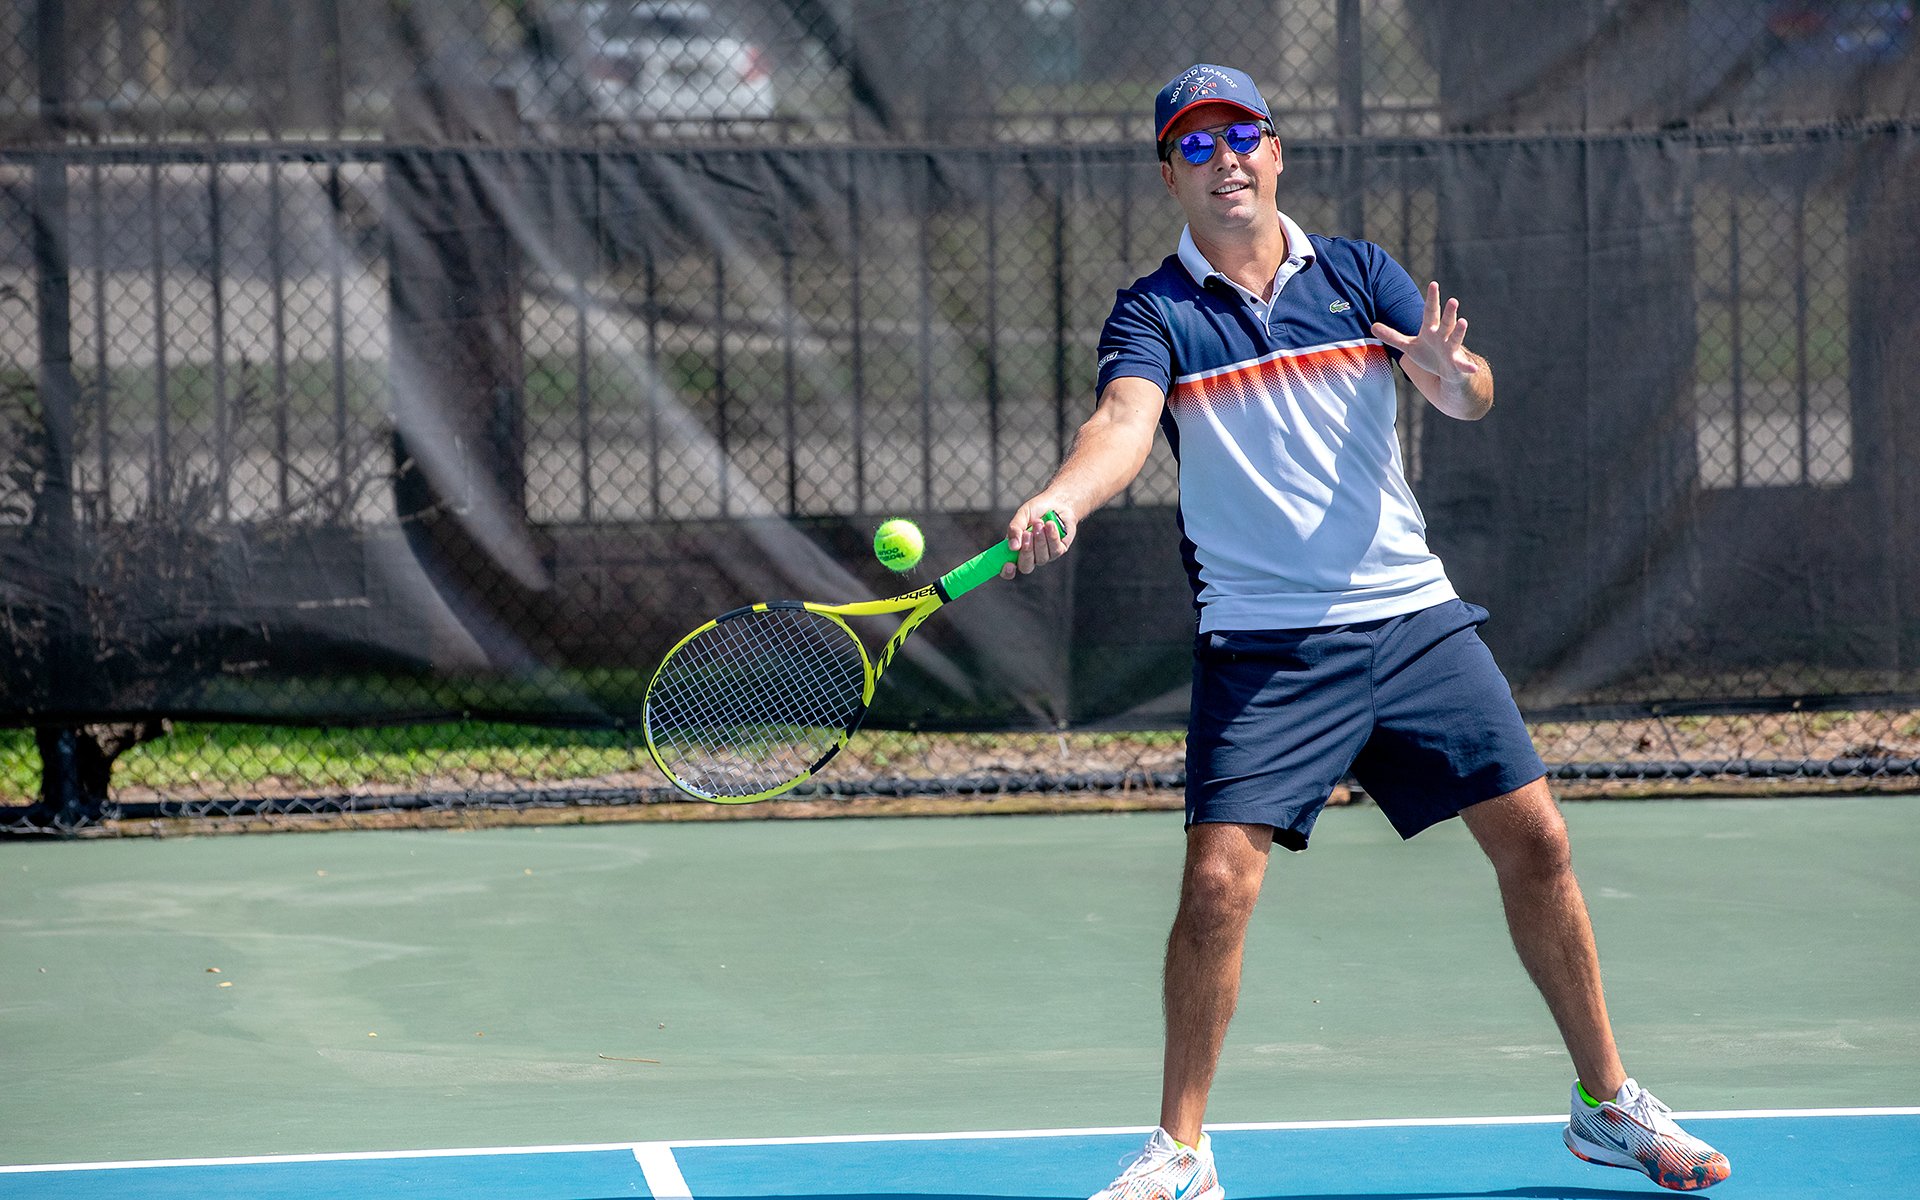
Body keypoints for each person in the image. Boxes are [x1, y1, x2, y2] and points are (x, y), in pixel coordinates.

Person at [997, 64, 1732, 1197]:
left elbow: (1470, 391)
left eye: (1242, 135)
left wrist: (1450, 372)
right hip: (1265, 646)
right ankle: (1182, 1154)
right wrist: (1063, 497)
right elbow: (1122, 423)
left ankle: (1606, 1105)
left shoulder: (1356, 273)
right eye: (1194, 145)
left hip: (1412, 620)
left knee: (1537, 841)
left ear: (1276, 151)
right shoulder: (1156, 312)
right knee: (1217, 886)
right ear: (1168, 176)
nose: (1224, 159)